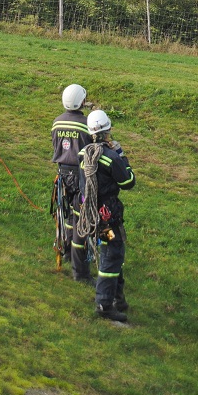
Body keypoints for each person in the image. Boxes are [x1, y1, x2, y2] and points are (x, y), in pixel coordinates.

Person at [77, 109, 135, 322]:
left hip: (93, 214)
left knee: (113, 252)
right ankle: (104, 304)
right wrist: (122, 157)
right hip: (107, 218)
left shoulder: (84, 153)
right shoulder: (110, 157)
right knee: (112, 255)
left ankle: (118, 299)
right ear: (107, 130)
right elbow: (128, 182)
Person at [51, 84, 93, 284]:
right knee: (80, 222)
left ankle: (66, 251)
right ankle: (80, 271)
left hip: (62, 175)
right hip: (81, 176)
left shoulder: (57, 122)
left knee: (66, 214)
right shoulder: (87, 124)